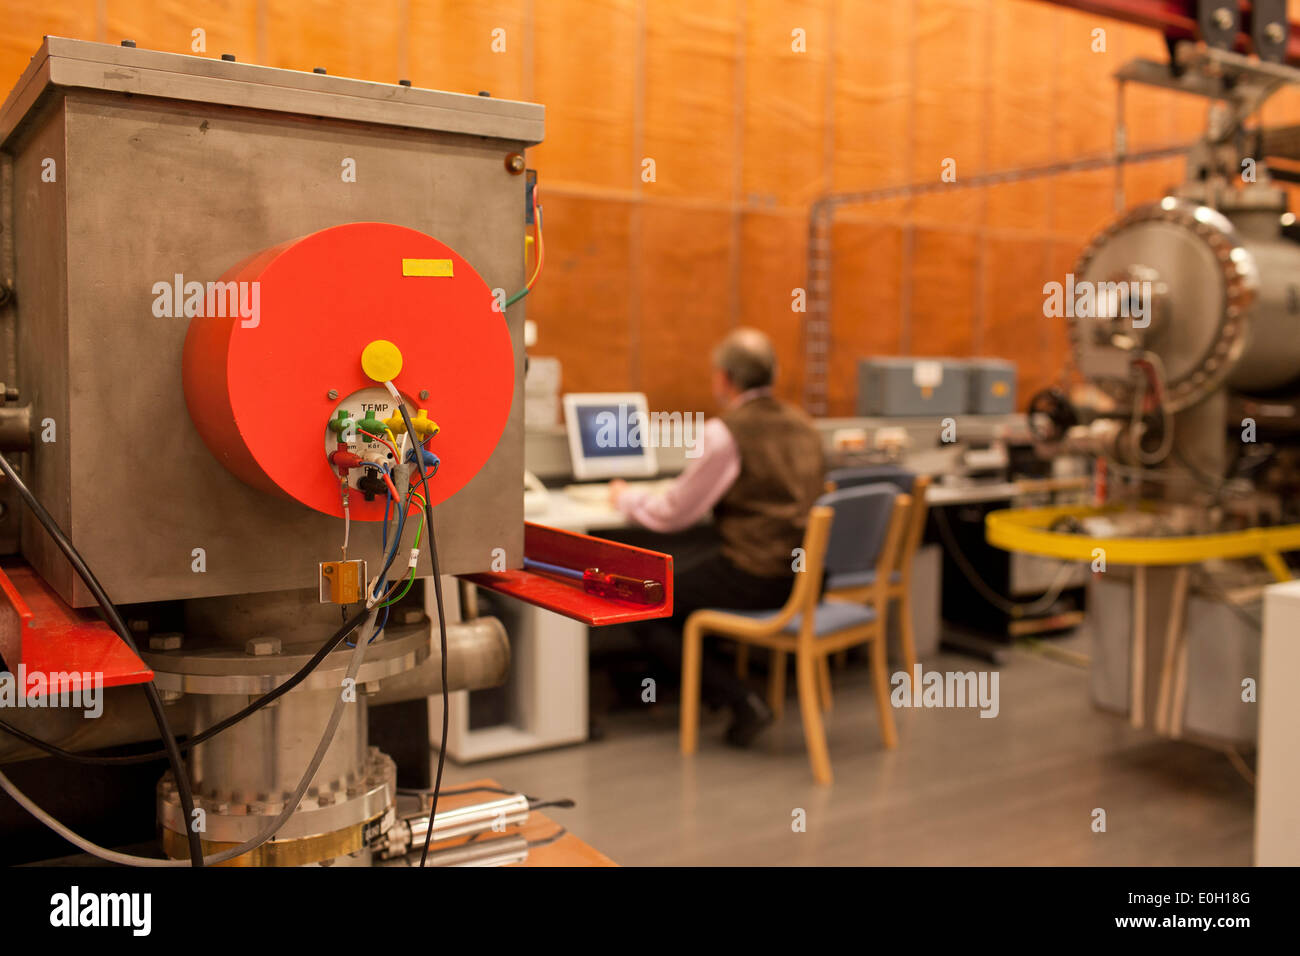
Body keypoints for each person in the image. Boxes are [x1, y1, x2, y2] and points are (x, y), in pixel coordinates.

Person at [610, 328, 825, 746]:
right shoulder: (805, 426)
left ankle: (739, 698)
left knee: (645, 599)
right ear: (772, 375)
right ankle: (703, 684)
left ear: (724, 378)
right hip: (805, 576)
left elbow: (674, 514)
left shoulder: (726, 433)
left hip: (756, 574)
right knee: (690, 581)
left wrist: (625, 497)